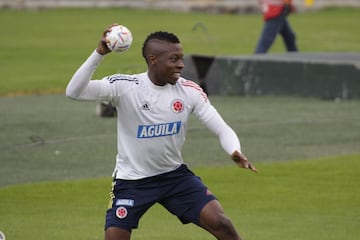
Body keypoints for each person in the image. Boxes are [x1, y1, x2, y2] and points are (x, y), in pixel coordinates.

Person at [66, 24, 258, 240]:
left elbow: (222, 128)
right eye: (174, 59)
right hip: (132, 182)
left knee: (221, 223)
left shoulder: (189, 91)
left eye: (181, 58)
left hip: (174, 177)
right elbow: (73, 91)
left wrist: (234, 150)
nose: (181, 65)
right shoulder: (126, 87)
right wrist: (99, 53)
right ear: (153, 60)